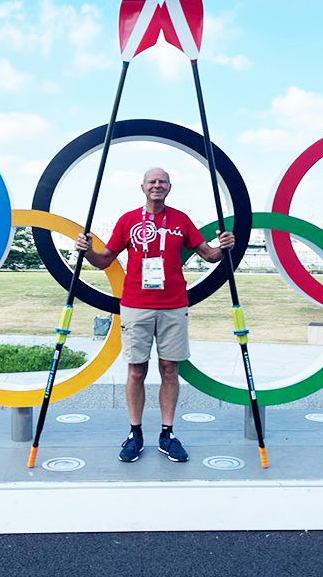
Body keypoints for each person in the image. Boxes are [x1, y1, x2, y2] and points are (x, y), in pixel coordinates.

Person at [76, 167, 235, 463]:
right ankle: (134, 433)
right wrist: (86, 251)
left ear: (170, 187)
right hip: (136, 305)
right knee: (136, 370)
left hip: (174, 304)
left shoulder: (181, 219)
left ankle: (167, 433)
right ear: (143, 187)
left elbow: (208, 254)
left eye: (162, 181)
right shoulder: (128, 220)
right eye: (152, 181)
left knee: (169, 370)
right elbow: (104, 260)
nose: (157, 186)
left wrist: (224, 247)